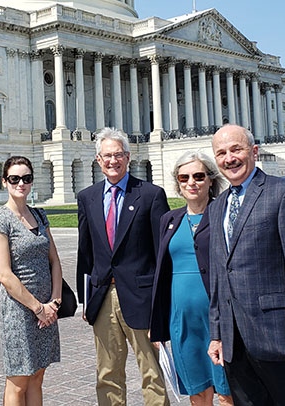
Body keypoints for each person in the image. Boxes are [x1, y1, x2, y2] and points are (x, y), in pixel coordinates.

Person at [206, 124, 285, 405]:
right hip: (235, 344)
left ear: (254, 151)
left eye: (236, 149)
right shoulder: (217, 206)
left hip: (280, 340)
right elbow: (219, 277)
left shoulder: (284, 193)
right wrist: (217, 334)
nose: (229, 158)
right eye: (221, 153)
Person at [76, 127, 170, 406]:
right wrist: (86, 299)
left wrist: (161, 303)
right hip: (103, 296)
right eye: (107, 156)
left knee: (151, 372)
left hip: (142, 298)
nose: (112, 161)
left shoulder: (151, 195)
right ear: (98, 159)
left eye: (118, 155)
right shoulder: (87, 197)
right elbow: (86, 253)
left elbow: (161, 253)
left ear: (128, 158)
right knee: (107, 373)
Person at [149, 150, 232, 405]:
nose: (191, 183)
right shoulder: (169, 219)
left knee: (227, 392)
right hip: (183, 321)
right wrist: (159, 322)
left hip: (219, 318)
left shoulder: (224, 214)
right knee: (197, 392)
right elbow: (161, 272)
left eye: (198, 176)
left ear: (210, 180)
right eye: (183, 178)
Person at [0, 156, 62, 406]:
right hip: (18, 311)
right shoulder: (0, 220)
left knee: (38, 375)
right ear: (5, 181)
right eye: (15, 178)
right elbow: (4, 275)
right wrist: (38, 308)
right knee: (18, 380)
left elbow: (55, 261)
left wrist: (54, 303)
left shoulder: (40, 215)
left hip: (47, 310)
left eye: (26, 178)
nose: (21, 183)